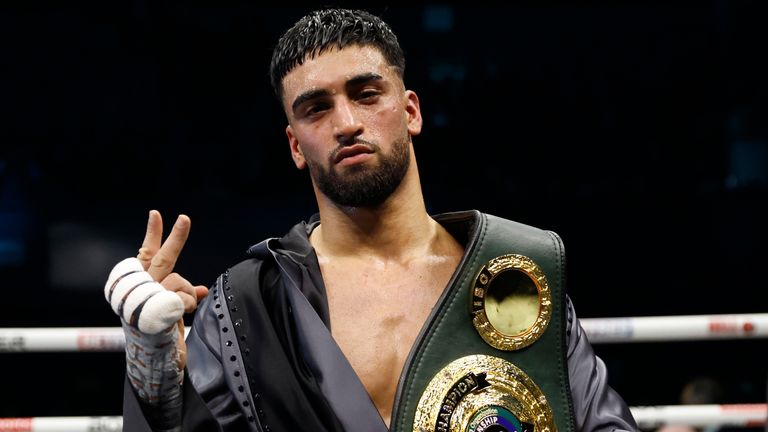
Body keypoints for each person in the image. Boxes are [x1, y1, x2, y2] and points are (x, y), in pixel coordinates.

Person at [104, 8, 638, 432]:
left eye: (365, 94)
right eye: (316, 108)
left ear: (410, 111)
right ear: (295, 145)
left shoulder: (515, 270)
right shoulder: (247, 303)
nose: (347, 123)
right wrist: (151, 362)